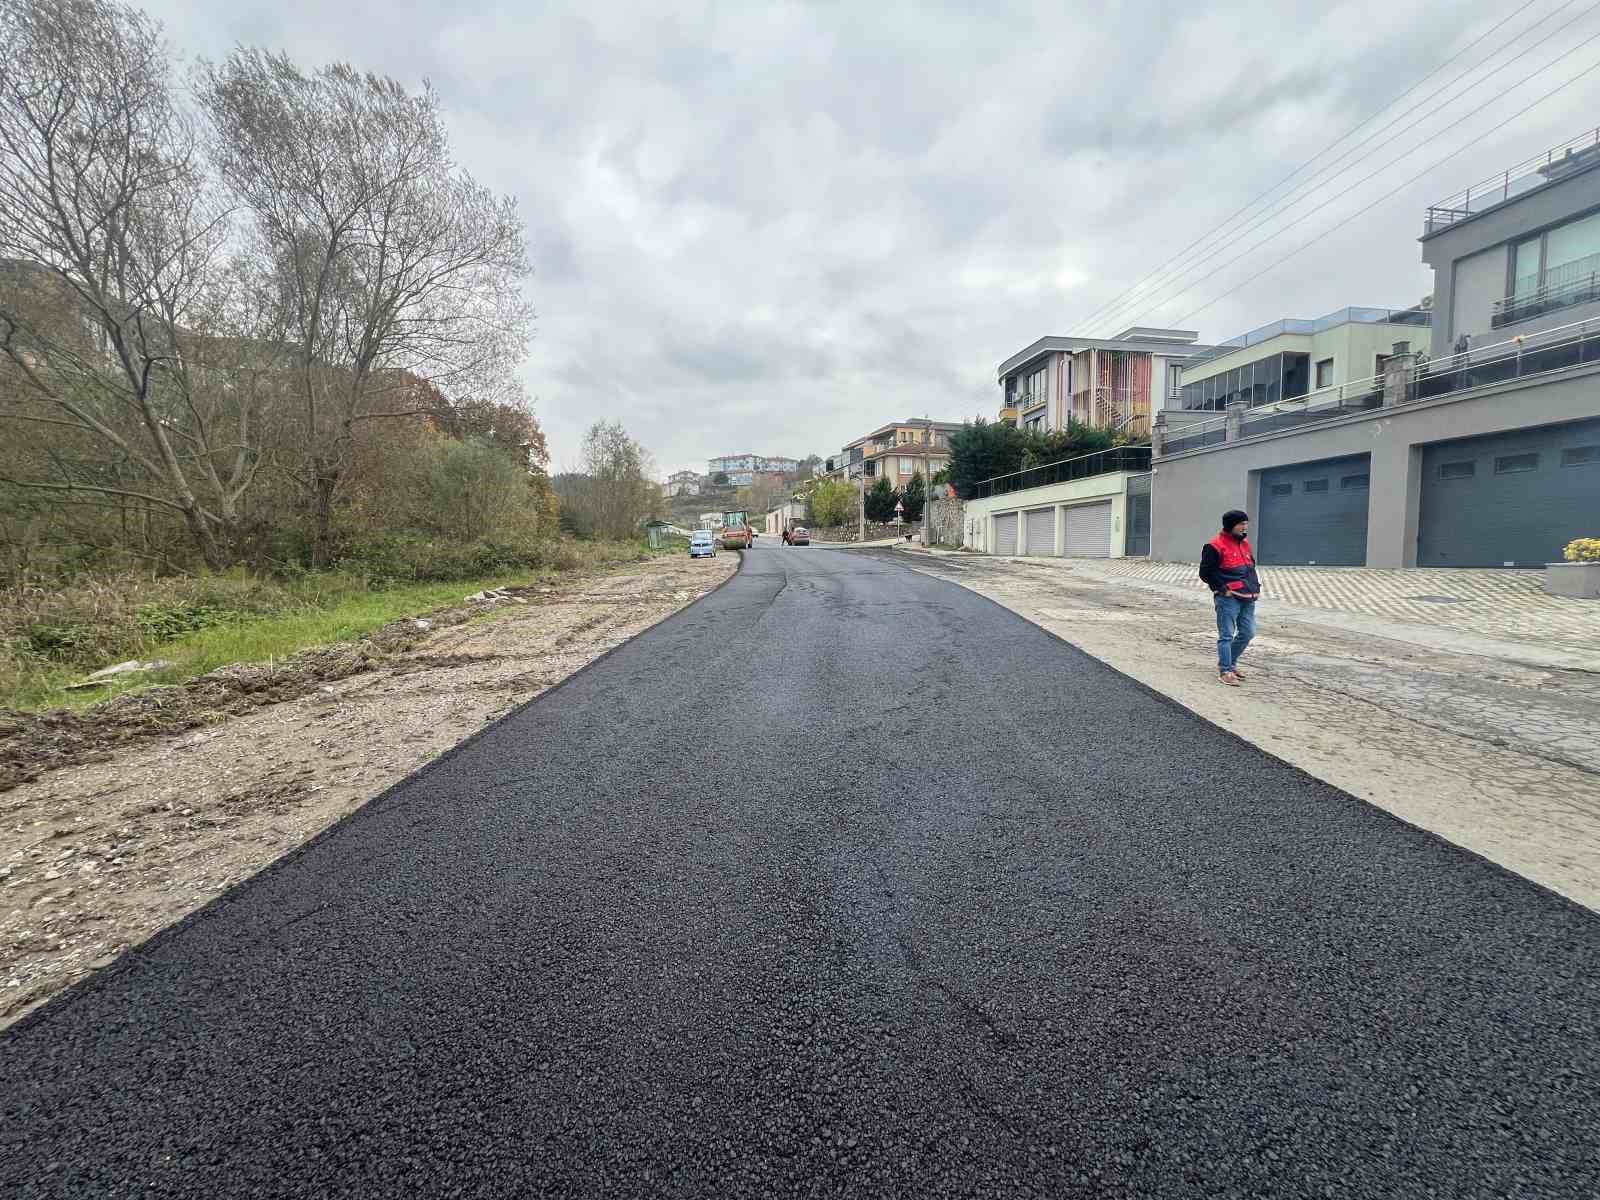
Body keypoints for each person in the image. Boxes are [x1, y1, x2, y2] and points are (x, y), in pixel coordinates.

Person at [1198, 509, 1260, 686]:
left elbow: (1250, 566)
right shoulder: (1215, 546)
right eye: (1241, 524)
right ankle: (1225, 670)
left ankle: (1230, 663)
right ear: (1231, 525)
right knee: (1226, 635)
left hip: (1248, 596)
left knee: (1248, 632)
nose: (1245, 527)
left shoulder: (1244, 543)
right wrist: (1222, 589)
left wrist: (1255, 587)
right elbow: (1205, 572)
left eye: (1246, 524)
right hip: (1229, 597)